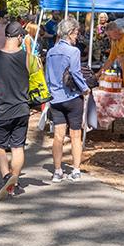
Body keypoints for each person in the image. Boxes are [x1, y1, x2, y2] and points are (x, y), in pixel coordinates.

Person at [0, 20, 32, 198]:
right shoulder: (28, 57)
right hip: (22, 108)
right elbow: (35, 79)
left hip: (1, 109)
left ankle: (6, 176)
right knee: (18, 146)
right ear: (20, 37)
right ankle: (15, 180)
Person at [44, 17, 89, 181]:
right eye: (76, 33)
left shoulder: (51, 51)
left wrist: (51, 92)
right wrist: (85, 89)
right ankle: (76, 170)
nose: (77, 36)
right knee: (75, 135)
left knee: (58, 136)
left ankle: (57, 171)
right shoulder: (74, 51)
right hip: (72, 97)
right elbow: (76, 73)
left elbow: (47, 75)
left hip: (55, 98)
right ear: (70, 33)